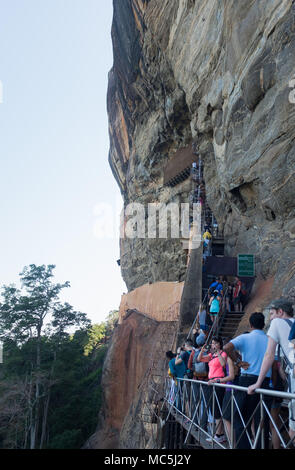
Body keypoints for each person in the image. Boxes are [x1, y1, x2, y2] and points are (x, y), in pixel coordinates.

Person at [247, 298, 295, 444]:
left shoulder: (277, 323)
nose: (271, 318)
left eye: (272, 313)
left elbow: (269, 355)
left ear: (281, 312)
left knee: (293, 429)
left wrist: (258, 382)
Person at [223, 312, 272, 449]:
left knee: (239, 417)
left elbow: (226, 348)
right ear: (263, 324)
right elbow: (273, 363)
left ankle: (243, 446)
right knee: (262, 419)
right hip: (265, 381)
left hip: (247, 381)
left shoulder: (245, 337)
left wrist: (238, 362)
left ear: (250, 325)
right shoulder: (270, 339)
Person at [198, 336, 228, 443]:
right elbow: (199, 359)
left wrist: (218, 352)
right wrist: (201, 351)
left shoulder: (222, 354)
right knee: (213, 408)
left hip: (219, 383)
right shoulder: (211, 355)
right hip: (211, 382)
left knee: (217, 408)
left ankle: (219, 434)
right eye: (212, 343)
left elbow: (223, 364)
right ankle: (219, 434)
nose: (213, 345)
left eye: (215, 343)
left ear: (219, 344)